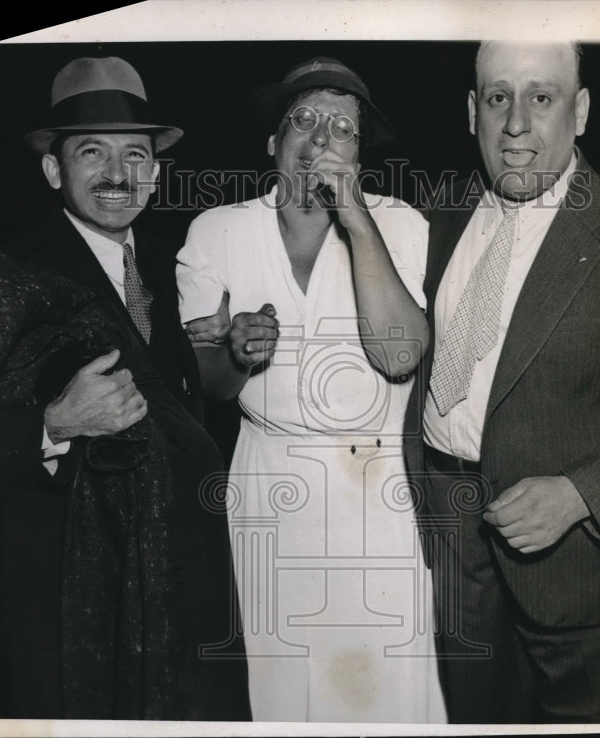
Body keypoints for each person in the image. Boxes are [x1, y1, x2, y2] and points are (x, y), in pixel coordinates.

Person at [0, 56, 251, 720]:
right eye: (93, 152)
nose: (118, 174)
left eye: (136, 154)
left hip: (179, 594)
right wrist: (51, 425)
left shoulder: (176, 272)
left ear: (157, 170)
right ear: (54, 169)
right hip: (73, 610)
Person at [402, 41, 600, 723]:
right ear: (472, 111)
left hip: (590, 581)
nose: (516, 124)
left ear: (579, 111)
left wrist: (581, 493)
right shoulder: (438, 219)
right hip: (459, 557)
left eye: (541, 98)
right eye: (498, 98)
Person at [175, 57, 447, 723]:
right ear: (274, 141)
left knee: (382, 688)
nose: (321, 138)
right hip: (267, 489)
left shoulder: (401, 225)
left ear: (362, 154)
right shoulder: (218, 230)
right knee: (277, 686)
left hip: (376, 493)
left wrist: (356, 219)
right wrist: (235, 353)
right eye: (303, 120)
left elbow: (401, 353)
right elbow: (206, 383)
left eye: (343, 129)